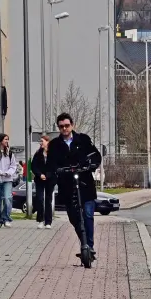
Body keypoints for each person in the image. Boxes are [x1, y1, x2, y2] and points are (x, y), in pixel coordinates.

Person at [48, 113, 102, 267]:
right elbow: (51, 164)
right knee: (75, 218)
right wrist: (55, 171)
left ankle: (89, 247)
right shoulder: (55, 145)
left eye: (67, 125)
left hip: (85, 184)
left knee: (88, 215)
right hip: (67, 185)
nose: (64, 128)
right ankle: (84, 243)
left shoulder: (83, 140)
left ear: (72, 125)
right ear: (58, 127)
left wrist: (91, 165)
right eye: (61, 126)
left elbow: (95, 155)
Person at [0, 134, 20, 227]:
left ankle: (6, 218)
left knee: (7, 198)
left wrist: (8, 172)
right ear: (0, 140)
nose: (7, 141)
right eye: (5, 139)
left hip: (7, 180)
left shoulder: (10, 154)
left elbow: (13, 166)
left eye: (7, 140)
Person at [30, 133, 56, 228]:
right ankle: (40, 220)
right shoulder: (38, 154)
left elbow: (55, 167)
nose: (40, 143)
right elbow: (33, 166)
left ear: (47, 142)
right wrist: (40, 174)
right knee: (40, 199)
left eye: (42, 141)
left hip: (50, 180)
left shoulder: (53, 154)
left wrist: (48, 175)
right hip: (39, 180)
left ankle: (48, 222)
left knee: (48, 200)